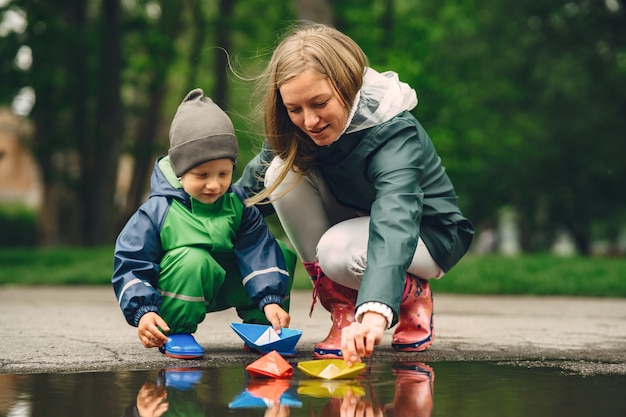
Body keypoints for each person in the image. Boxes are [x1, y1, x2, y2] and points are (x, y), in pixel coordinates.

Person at [236, 23, 474, 366]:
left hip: (426, 234)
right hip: (351, 224)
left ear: (347, 86)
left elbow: (396, 217)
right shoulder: (296, 126)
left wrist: (375, 314)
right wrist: (188, 219)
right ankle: (342, 310)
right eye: (295, 108)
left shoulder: (393, 131)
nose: (310, 120)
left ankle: (412, 293)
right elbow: (246, 196)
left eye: (320, 103)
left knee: (336, 251)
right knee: (279, 170)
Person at [113, 88, 296, 359]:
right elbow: (131, 263)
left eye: (224, 173)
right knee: (192, 258)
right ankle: (176, 330)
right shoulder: (158, 210)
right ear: (179, 170)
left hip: (226, 282)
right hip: (181, 288)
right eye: (202, 175)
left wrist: (270, 300)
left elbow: (258, 251)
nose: (214, 184)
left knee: (278, 252)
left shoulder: (237, 204)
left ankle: (263, 325)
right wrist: (144, 312)